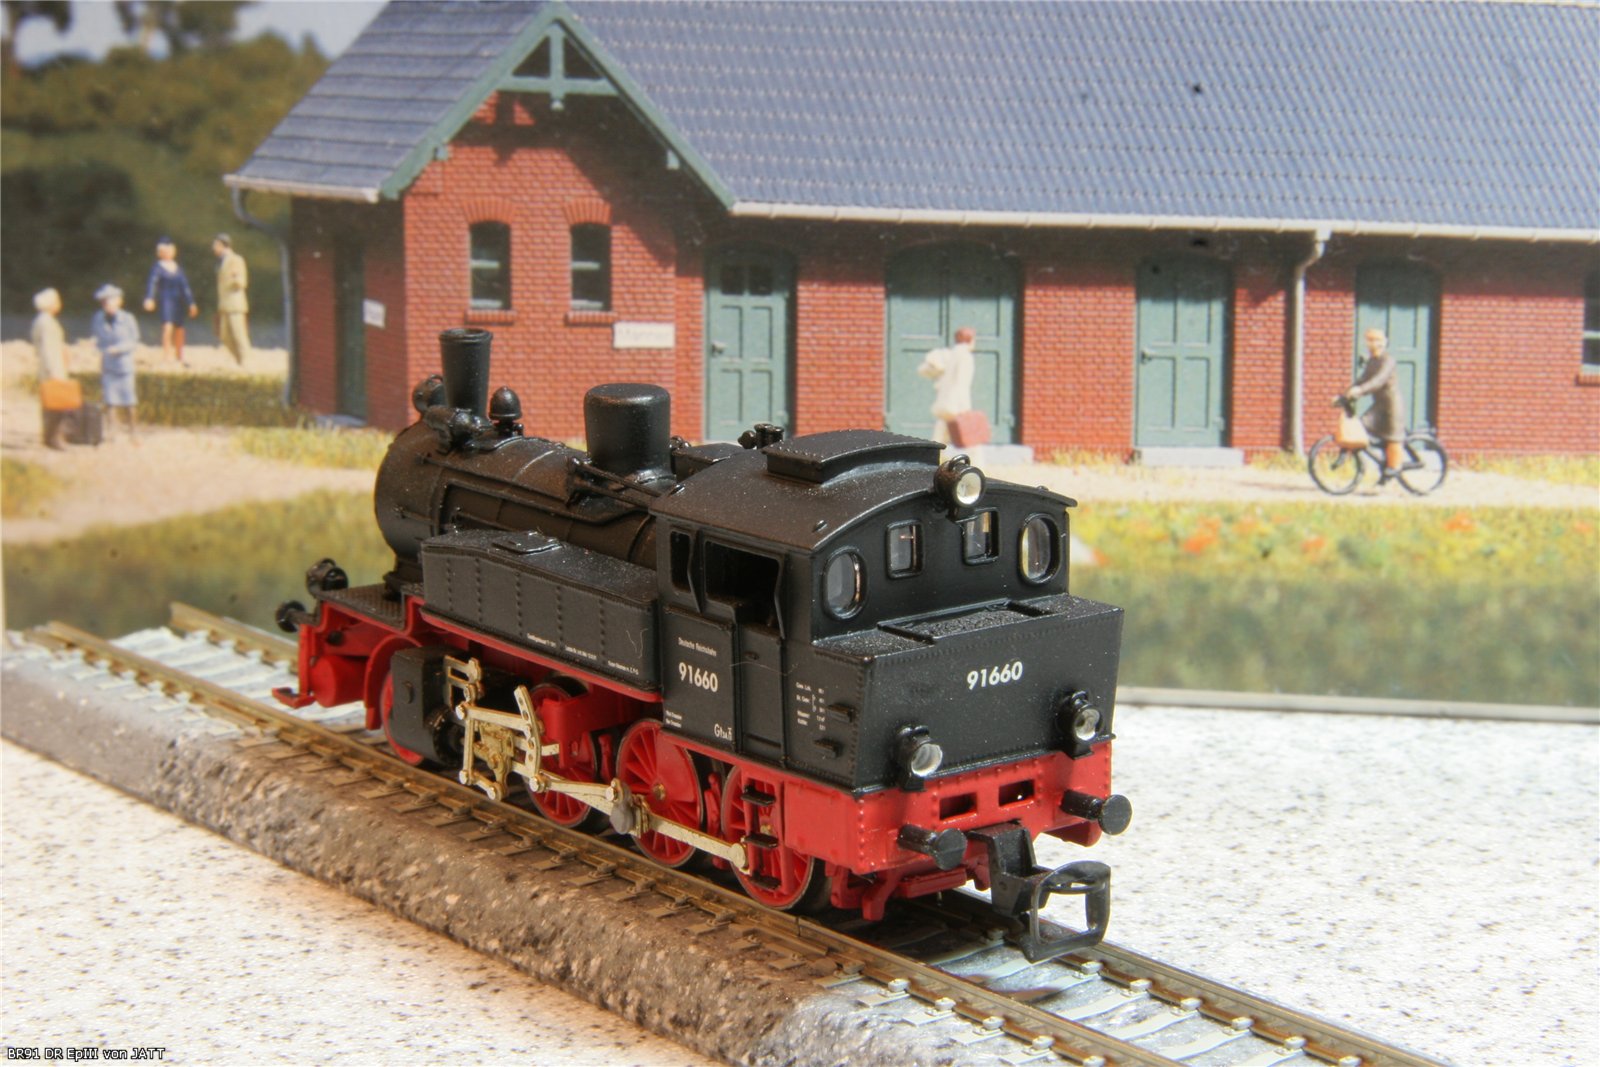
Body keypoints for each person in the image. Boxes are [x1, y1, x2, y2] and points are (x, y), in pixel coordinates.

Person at [1344, 327, 1411, 476]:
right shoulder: (1372, 361)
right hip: (1379, 405)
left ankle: (1394, 467)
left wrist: (1360, 390)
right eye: (1370, 340)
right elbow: (1363, 378)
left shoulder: (1388, 360)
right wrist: (1346, 393)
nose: (1373, 343)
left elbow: (1378, 380)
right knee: (1361, 425)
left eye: (1377, 340)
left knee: (1393, 437)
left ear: (1384, 342)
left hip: (1392, 405)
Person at [92, 283, 140, 444]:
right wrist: (99, 348)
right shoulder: (98, 318)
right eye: (104, 302)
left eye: (111, 301)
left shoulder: (128, 319)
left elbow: (134, 341)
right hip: (108, 365)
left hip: (124, 366)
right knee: (110, 401)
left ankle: (134, 432)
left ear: (119, 301)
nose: (107, 305)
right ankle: (112, 432)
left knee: (129, 401)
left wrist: (119, 349)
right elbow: (98, 340)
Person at [917, 325, 977, 444]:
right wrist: (965, 408)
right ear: (970, 340)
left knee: (940, 436)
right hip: (957, 405)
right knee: (969, 438)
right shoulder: (966, 357)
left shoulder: (950, 354)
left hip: (946, 403)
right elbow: (961, 383)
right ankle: (975, 456)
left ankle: (932, 454)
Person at [142, 237, 198, 365]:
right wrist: (150, 297)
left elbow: (185, 287)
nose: (169, 253)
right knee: (167, 327)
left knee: (180, 328)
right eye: (165, 251)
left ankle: (179, 355)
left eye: (171, 251)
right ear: (160, 253)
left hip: (178, 301)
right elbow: (152, 283)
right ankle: (166, 355)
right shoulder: (158, 267)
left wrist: (191, 303)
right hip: (165, 300)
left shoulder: (177, 268)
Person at [31, 287, 69, 449]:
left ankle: (49, 437)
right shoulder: (46, 323)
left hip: (50, 367)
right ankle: (53, 438)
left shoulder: (43, 320)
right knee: (56, 405)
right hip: (52, 369)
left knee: (50, 404)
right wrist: (54, 372)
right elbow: (48, 349)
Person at [213, 233, 252, 365]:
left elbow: (242, 281)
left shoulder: (236, 259)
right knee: (224, 335)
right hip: (225, 304)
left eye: (216, 245)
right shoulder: (221, 261)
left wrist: (235, 279)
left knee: (239, 334)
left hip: (235, 303)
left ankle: (246, 361)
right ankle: (239, 359)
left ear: (222, 245)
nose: (214, 248)